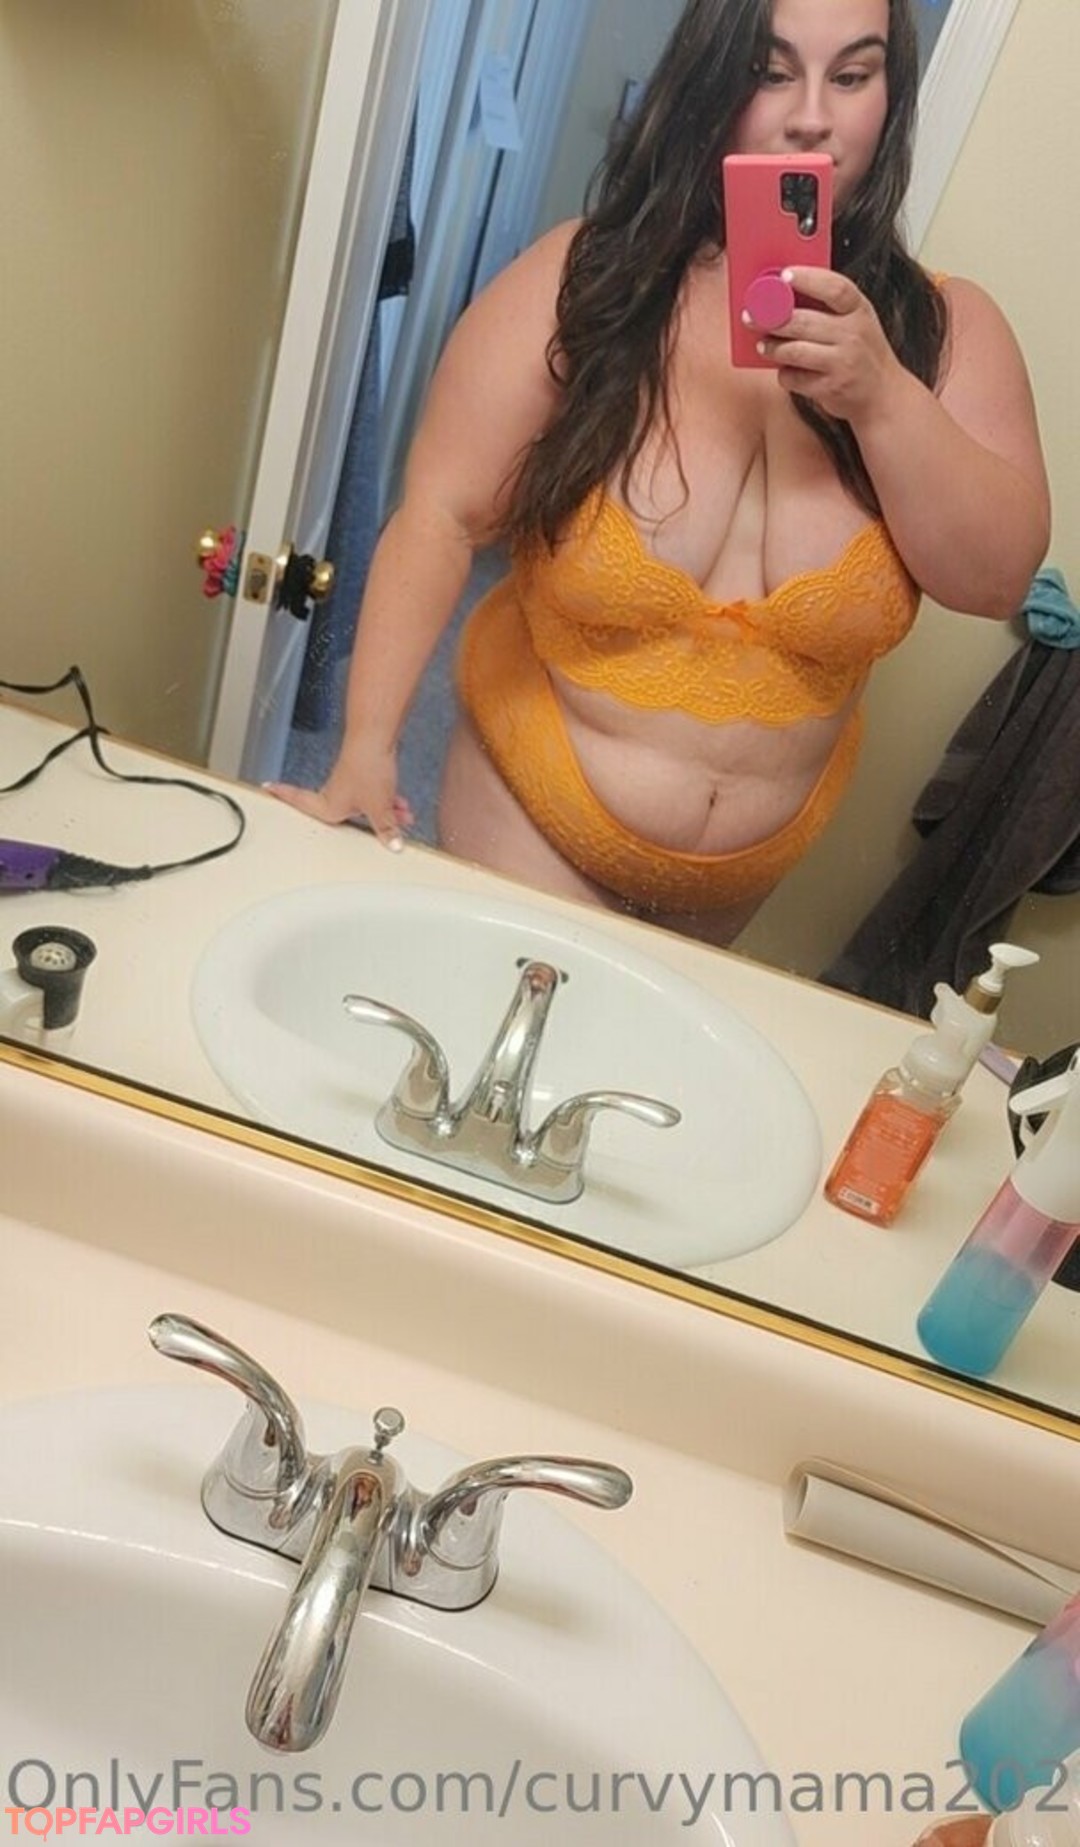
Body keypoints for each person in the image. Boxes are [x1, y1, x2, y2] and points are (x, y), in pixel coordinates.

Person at [271, 0, 1050, 948]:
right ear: (714, 82)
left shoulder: (946, 335)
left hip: (733, 885)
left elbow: (995, 580)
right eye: (771, 73)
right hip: (530, 814)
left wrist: (883, 397)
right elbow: (441, 511)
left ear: (892, 97)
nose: (812, 117)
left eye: (851, 76)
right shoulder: (588, 279)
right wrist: (366, 747)